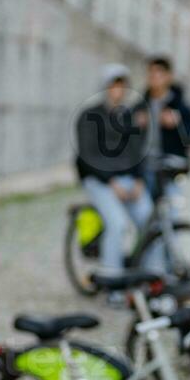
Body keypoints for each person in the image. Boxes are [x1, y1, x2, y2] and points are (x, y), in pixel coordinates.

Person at [75, 63, 154, 281]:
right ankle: (113, 282)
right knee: (117, 225)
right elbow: (87, 155)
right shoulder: (89, 116)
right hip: (99, 180)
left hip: (128, 179)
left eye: (122, 85)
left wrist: (139, 180)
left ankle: (152, 278)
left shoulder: (129, 117)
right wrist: (110, 181)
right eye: (114, 85)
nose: (118, 90)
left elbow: (138, 151)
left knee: (149, 222)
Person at [132, 55, 190, 201]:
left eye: (159, 72)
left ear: (169, 76)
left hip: (170, 169)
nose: (154, 77)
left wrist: (178, 124)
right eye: (151, 73)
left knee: (169, 213)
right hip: (144, 168)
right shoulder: (140, 106)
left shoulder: (181, 107)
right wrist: (134, 125)